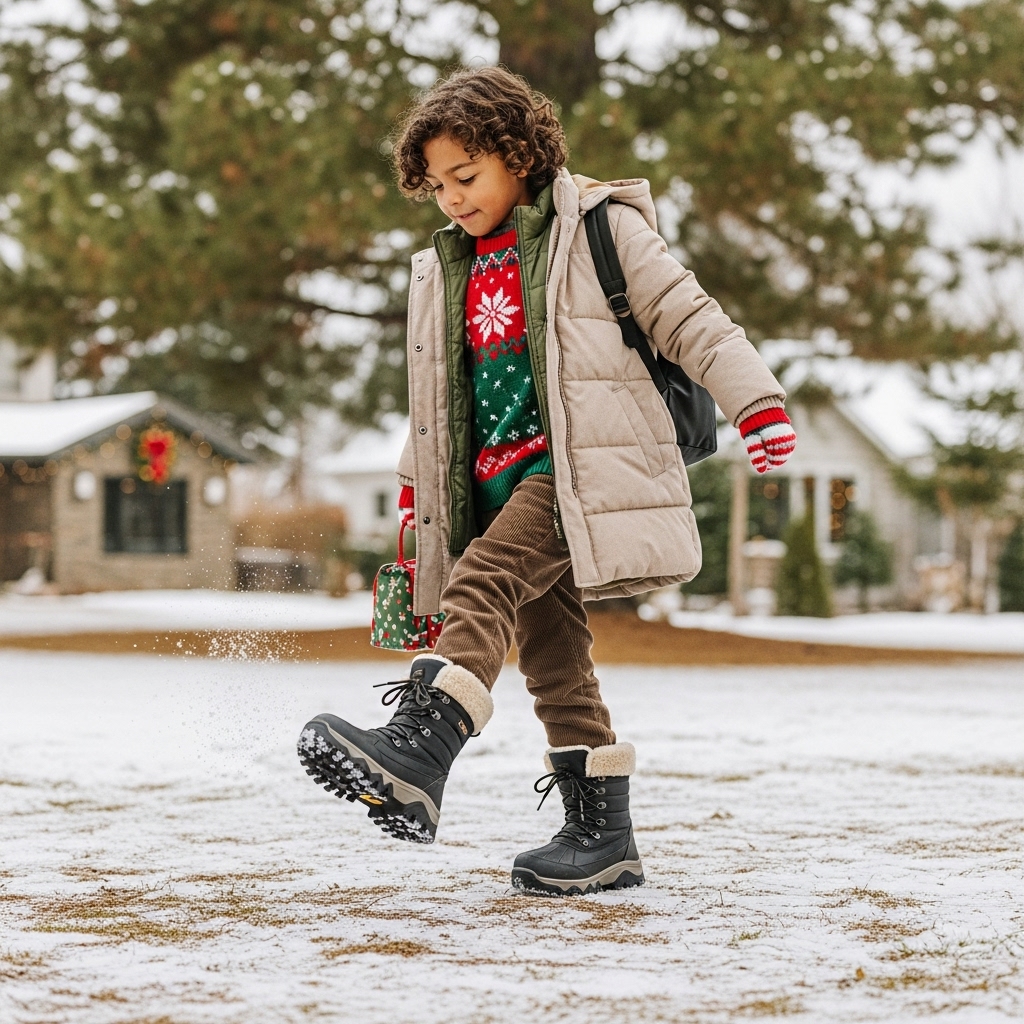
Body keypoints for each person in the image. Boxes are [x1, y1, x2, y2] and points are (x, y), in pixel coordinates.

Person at [298, 66, 795, 895]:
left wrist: (758, 403)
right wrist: (417, 489)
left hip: (578, 472)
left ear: (520, 154)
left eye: (467, 176)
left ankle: (420, 749)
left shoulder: (597, 227)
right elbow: (436, 399)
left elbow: (689, 314)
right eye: (436, 186)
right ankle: (604, 836)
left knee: (484, 582)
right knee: (555, 659)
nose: (452, 199)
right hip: (494, 480)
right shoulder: (442, 268)